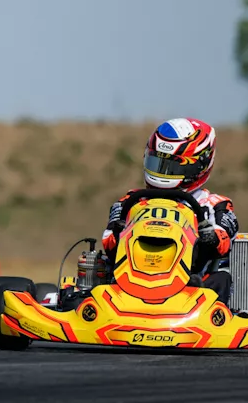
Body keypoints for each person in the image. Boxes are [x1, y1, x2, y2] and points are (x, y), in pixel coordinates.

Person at [100, 118, 238, 300]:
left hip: (192, 286)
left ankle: (212, 320)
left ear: (200, 165)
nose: (163, 173)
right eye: (157, 164)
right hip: (129, 281)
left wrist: (210, 238)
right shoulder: (130, 200)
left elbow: (224, 239)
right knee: (100, 267)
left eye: (173, 166)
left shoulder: (214, 204)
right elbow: (108, 240)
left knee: (222, 278)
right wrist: (118, 232)